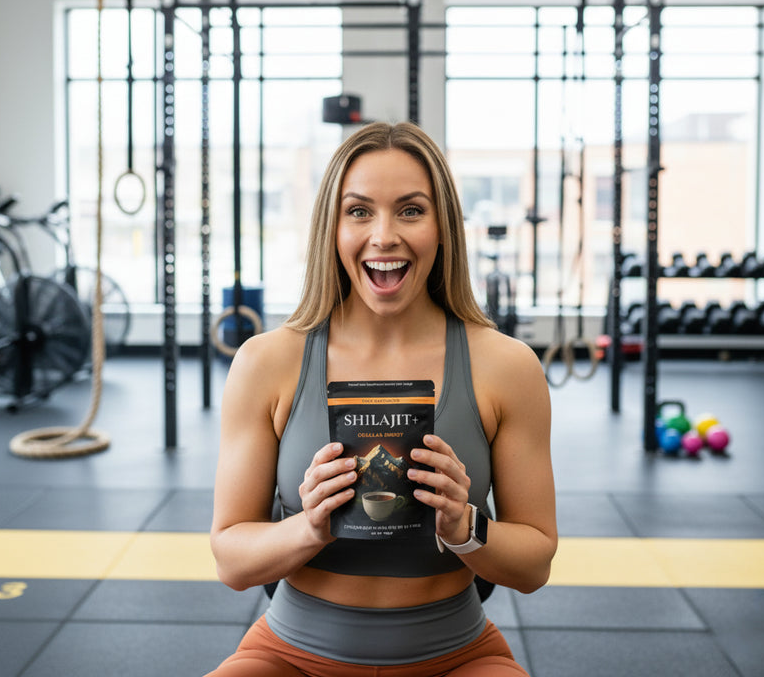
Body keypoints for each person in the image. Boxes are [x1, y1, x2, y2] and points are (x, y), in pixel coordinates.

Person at [204, 121, 557, 677]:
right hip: (290, 655)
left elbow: (535, 562)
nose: (384, 235)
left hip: (455, 657)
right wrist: (309, 526)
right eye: (360, 211)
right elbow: (230, 557)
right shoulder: (266, 362)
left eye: (411, 210)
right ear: (333, 227)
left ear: (442, 227)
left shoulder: (506, 366)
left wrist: (465, 526)